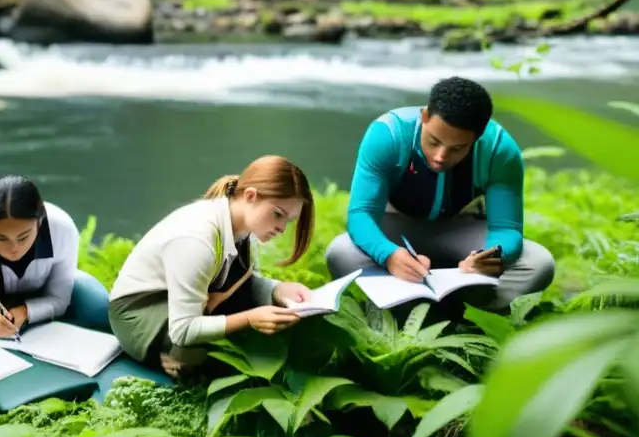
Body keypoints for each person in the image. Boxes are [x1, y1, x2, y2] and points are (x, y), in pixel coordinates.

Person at [325, 76, 556, 312]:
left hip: (461, 229)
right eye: (434, 141)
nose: (440, 156)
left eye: (457, 148)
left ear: (478, 136)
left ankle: (469, 314)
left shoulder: (499, 150)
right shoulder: (388, 134)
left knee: (538, 262)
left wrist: (487, 257)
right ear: (424, 116)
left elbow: (506, 229)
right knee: (341, 252)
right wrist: (388, 255)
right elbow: (361, 214)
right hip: (396, 227)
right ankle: (399, 308)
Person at [107, 155, 317, 379]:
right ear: (250, 196)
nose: (281, 228)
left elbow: (239, 282)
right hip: (141, 311)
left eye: (289, 221)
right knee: (200, 354)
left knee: (277, 325)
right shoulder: (196, 240)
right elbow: (183, 329)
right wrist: (248, 318)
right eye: (278, 214)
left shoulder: (244, 226)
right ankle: (172, 358)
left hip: (195, 299)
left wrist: (277, 289)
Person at [0, 174, 111, 337]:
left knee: (99, 306)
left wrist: (26, 311)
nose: (13, 248)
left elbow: (59, 298)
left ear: (39, 222)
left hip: (43, 302)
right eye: (0, 237)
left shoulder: (61, 229)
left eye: (23, 237)